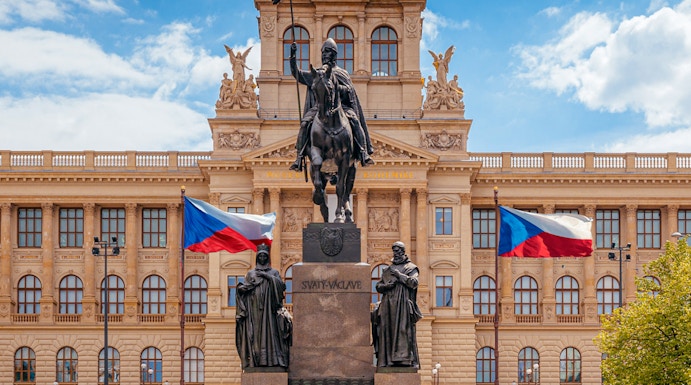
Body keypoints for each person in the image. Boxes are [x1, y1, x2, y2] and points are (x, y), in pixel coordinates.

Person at [288, 38, 374, 171]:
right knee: (305, 124)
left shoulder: (342, 73)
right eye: (323, 52)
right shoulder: (318, 74)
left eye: (327, 52)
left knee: (355, 121)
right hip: (319, 108)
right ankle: (299, 157)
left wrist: (336, 88)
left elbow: (349, 91)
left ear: (334, 54)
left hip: (341, 108)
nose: (324, 55)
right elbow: (297, 74)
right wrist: (293, 56)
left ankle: (363, 152)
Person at [235, 245, 292, 369]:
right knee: (256, 335)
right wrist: (241, 289)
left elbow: (281, 286)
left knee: (271, 333)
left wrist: (268, 277)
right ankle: (256, 361)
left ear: (267, 257)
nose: (262, 258)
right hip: (254, 308)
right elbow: (246, 287)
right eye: (260, 255)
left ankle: (273, 360)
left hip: (270, 309)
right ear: (257, 257)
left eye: (264, 256)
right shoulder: (251, 273)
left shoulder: (274, 272)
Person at [372, 241, 422, 368]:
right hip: (388, 305)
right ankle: (387, 361)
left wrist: (400, 276)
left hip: (403, 305)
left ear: (403, 251)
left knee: (403, 332)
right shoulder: (388, 269)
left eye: (398, 250)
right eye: (394, 250)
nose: (396, 253)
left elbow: (414, 282)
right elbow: (378, 286)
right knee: (386, 332)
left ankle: (403, 360)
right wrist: (385, 286)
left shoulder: (411, 268)